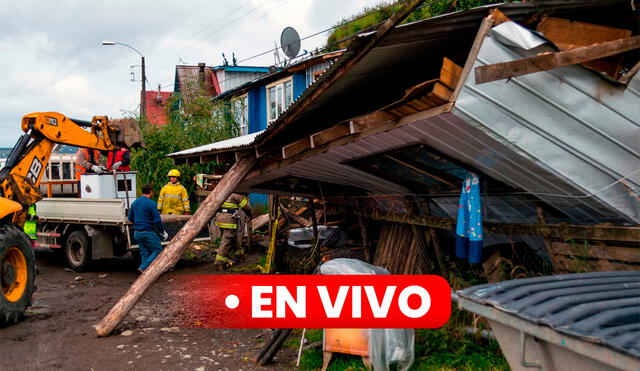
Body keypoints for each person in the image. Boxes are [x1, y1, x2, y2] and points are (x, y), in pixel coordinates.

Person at [128, 184, 168, 272]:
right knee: (158, 250)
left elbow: (130, 218)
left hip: (137, 233)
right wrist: (162, 232)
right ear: (150, 191)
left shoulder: (135, 203)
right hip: (147, 232)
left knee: (144, 252)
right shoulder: (151, 203)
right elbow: (157, 220)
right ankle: (143, 267)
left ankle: (144, 272)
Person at [213, 193, 251, 268]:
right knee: (227, 240)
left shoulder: (223, 192)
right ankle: (220, 262)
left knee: (233, 238)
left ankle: (237, 255)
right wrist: (250, 214)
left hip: (219, 218)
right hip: (228, 220)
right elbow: (246, 207)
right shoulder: (237, 195)